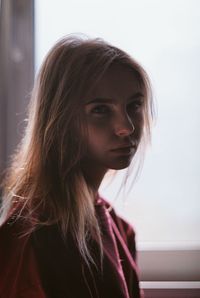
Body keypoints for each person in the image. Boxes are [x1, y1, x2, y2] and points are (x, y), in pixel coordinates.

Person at [0, 35, 153, 298]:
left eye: (134, 105)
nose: (126, 127)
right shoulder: (33, 238)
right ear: (61, 118)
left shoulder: (118, 228)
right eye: (100, 110)